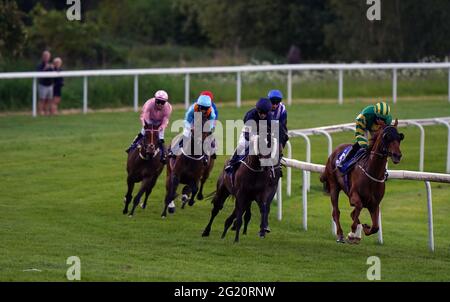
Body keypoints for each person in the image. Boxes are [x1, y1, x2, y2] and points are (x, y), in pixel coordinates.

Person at [225, 98, 273, 174]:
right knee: (242, 144)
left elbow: (270, 133)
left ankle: (273, 166)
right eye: (261, 113)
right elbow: (247, 135)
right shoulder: (250, 115)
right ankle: (231, 162)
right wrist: (254, 139)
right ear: (257, 110)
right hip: (249, 133)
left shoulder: (270, 117)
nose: (263, 115)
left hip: (262, 133)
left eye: (265, 113)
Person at [337, 101, 393, 168]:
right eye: (379, 118)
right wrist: (364, 143)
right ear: (375, 114)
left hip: (377, 129)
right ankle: (344, 160)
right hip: (365, 126)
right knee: (362, 144)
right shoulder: (365, 115)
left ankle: (383, 168)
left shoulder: (388, 120)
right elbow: (359, 134)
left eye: (383, 119)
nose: (380, 121)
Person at [125, 90, 173, 164]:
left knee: (161, 138)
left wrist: (162, 127)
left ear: (165, 102)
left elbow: (165, 120)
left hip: (159, 122)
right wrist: (146, 126)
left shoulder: (168, 107)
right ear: (155, 100)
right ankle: (132, 146)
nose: (160, 104)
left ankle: (164, 154)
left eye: (162, 102)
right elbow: (144, 116)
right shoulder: (149, 104)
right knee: (142, 133)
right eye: (158, 101)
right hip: (149, 120)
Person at [168, 94, 216, 165]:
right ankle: (174, 150)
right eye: (202, 107)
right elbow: (187, 120)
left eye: (205, 108)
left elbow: (211, 123)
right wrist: (190, 128)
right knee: (185, 134)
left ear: (208, 107)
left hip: (205, 124)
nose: (203, 110)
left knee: (209, 137)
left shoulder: (211, 113)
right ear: (198, 106)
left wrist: (207, 129)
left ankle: (210, 152)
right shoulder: (193, 109)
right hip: (192, 122)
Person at [200, 90, 218, 159]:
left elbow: (214, 119)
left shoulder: (213, 107)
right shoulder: (196, 105)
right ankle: (179, 146)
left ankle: (212, 149)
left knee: (210, 136)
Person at [37, 50, 54, 116]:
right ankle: (40, 112)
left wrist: (53, 68)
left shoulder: (50, 65)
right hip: (42, 85)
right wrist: (45, 68)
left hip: (50, 85)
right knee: (42, 99)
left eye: (48, 56)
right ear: (43, 57)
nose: (47, 57)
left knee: (49, 99)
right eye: (45, 56)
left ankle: (46, 112)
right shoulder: (40, 65)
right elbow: (38, 73)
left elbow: (55, 72)